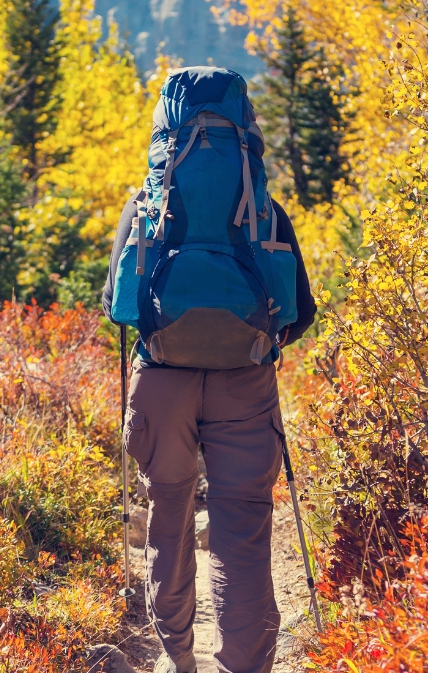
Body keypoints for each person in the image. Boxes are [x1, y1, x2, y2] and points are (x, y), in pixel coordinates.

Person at [102, 182, 315, 672]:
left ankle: (178, 657)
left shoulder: (144, 205)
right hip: (245, 380)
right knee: (242, 525)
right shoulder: (263, 207)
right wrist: (257, 344)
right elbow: (301, 311)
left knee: (169, 511)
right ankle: (242, 664)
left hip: (161, 382)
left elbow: (117, 303)